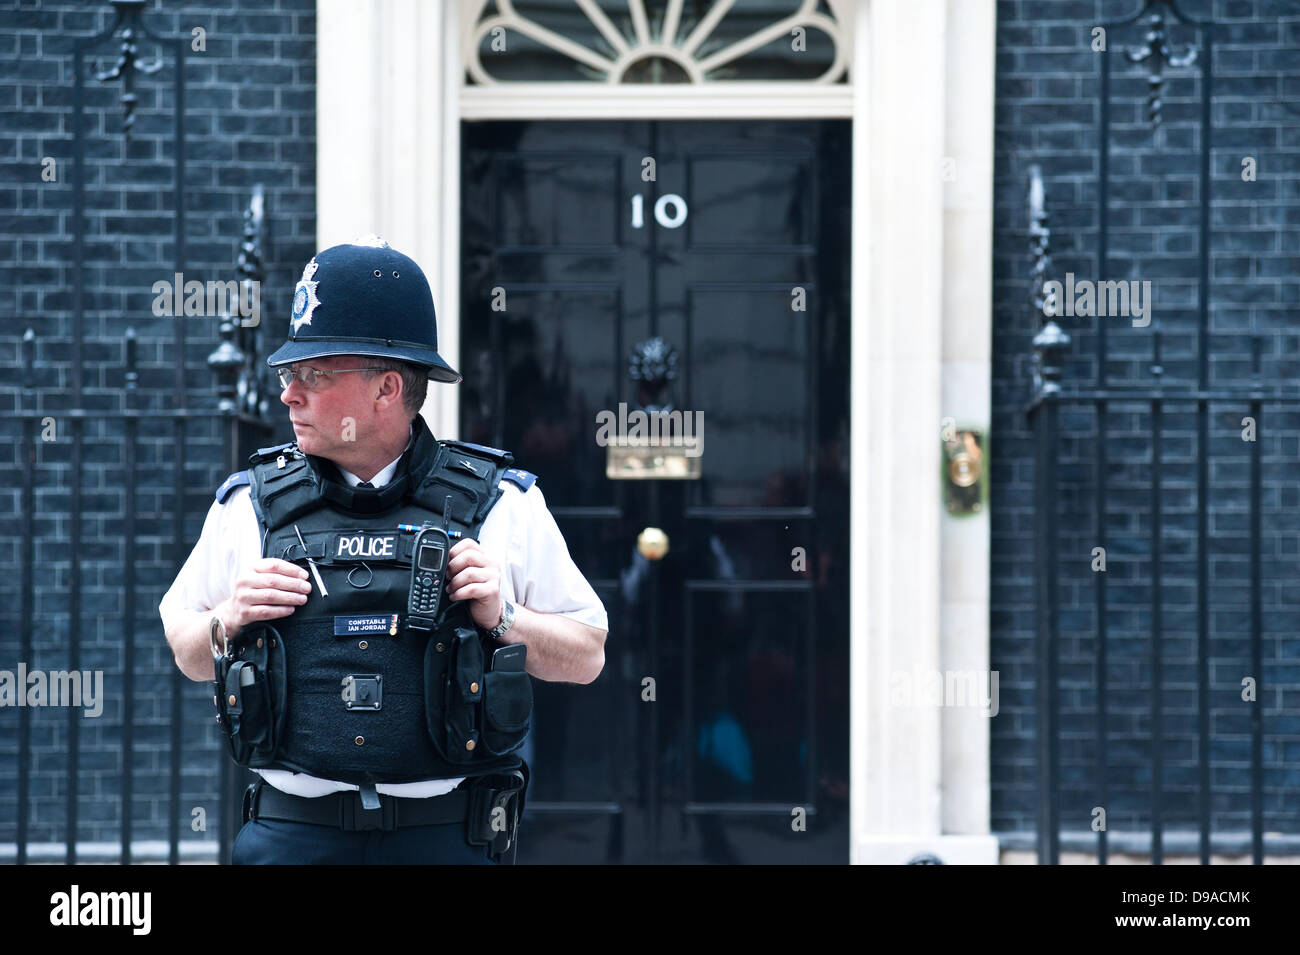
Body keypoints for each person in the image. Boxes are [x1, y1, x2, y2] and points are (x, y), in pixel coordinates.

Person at [159, 236, 608, 864]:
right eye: (291, 375)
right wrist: (227, 619)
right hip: (292, 839)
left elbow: (586, 656)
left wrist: (504, 619)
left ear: (386, 388)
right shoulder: (249, 505)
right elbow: (185, 648)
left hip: (445, 840)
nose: (289, 394)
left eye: (313, 375)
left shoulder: (501, 504)